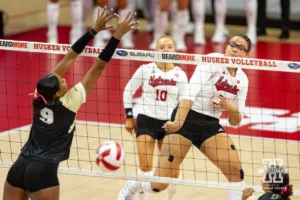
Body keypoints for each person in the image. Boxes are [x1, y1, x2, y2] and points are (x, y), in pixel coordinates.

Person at [3, 7, 138, 200]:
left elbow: (70, 56)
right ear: (58, 94)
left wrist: (93, 31)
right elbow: (99, 66)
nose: (65, 79)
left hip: (19, 166)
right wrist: (116, 37)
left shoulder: (38, 97)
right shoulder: (69, 102)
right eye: (62, 82)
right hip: (43, 171)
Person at [118, 33, 251, 200]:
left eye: (241, 48)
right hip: (187, 117)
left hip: (210, 124)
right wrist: (178, 122)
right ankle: (133, 185)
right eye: (233, 44)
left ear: (247, 55)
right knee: (160, 184)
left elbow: (235, 122)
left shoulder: (243, 80)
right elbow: (189, 94)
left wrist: (232, 108)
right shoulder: (213, 61)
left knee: (236, 172)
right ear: (226, 47)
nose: (235, 50)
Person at [123, 35, 189, 200]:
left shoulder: (180, 75)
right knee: (145, 166)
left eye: (169, 46)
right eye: (162, 47)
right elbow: (128, 90)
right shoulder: (146, 69)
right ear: (155, 51)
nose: (166, 50)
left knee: (173, 171)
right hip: (147, 119)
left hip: (169, 124)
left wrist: (180, 124)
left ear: (174, 50)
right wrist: (129, 117)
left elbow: (184, 103)